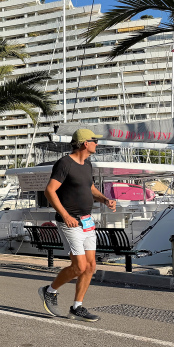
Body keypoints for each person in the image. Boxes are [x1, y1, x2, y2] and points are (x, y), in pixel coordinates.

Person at [39, 128, 116, 322]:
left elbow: (89, 188)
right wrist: (65, 215)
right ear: (85, 143)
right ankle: (49, 291)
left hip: (86, 222)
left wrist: (105, 199)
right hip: (70, 222)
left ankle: (77, 307)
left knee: (90, 266)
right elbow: (49, 191)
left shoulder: (87, 164)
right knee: (80, 266)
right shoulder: (64, 163)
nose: (97, 144)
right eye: (94, 141)